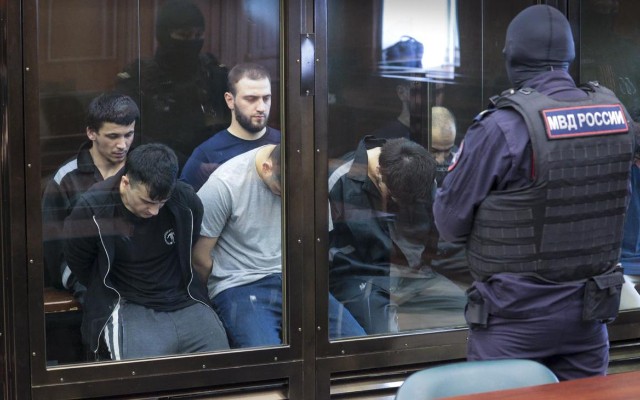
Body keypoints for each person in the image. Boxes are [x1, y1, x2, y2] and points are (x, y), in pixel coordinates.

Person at [433, 5, 637, 380]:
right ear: (569, 55)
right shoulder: (615, 116)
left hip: (514, 324)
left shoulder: (501, 127)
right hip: (589, 320)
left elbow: (449, 224)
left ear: (512, 56)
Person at [63, 143, 229, 360]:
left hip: (184, 297)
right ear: (125, 183)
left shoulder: (185, 200)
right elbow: (79, 261)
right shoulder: (93, 208)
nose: (154, 211)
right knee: (140, 372)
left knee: (221, 363)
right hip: (127, 301)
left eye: (162, 203)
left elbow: (191, 240)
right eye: (147, 202)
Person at [193, 144, 364, 347]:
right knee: (265, 353)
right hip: (240, 282)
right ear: (267, 168)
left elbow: (318, 241)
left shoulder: (311, 183)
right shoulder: (225, 184)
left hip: (295, 277)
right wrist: (221, 287)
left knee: (355, 344)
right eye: (281, 192)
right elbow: (199, 258)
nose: (288, 200)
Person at [328, 136, 466, 334]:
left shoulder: (419, 174)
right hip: (359, 275)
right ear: (378, 172)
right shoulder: (339, 179)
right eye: (394, 197)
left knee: (467, 314)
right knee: (387, 336)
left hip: (412, 272)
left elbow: (437, 232)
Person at [42, 92, 139, 299]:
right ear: (91, 133)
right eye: (113, 136)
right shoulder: (66, 178)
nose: (122, 144)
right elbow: (54, 247)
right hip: (87, 279)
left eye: (128, 135)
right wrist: (80, 280)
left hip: (138, 272)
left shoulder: (141, 170)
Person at [115, 0, 230, 168]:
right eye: (184, 35)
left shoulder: (212, 73)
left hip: (216, 167)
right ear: (164, 35)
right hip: (160, 170)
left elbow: (229, 125)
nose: (193, 41)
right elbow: (130, 136)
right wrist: (191, 166)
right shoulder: (139, 78)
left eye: (198, 35)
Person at [180, 62, 281, 192]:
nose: (261, 108)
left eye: (266, 98)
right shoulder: (207, 154)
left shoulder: (285, 144)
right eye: (251, 99)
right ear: (230, 100)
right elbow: (184, 201)